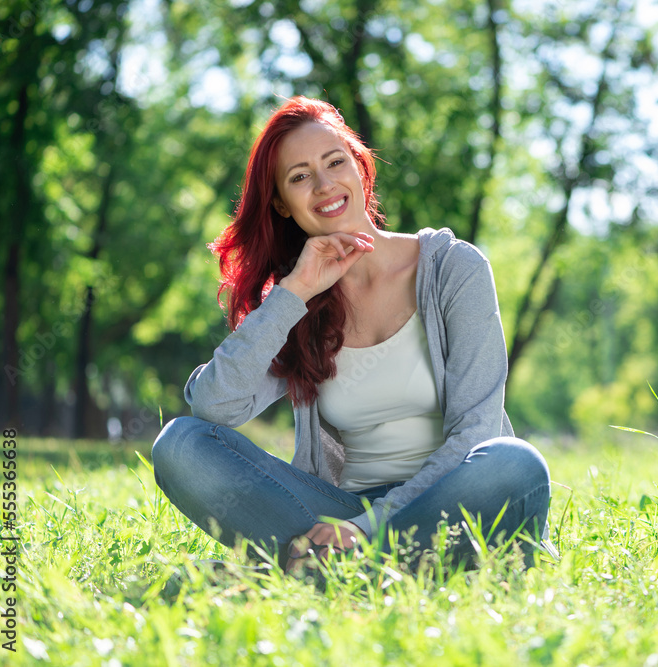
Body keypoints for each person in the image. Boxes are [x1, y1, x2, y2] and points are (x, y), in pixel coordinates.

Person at [151, 96, 551, 575]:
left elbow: (476, 433)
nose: (324, 185)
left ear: (360, 168)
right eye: (299, 177)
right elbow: (215, 407)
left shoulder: (452, 267)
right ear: (280, 202)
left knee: (514, 464)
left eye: (335, 162)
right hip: (335, 516)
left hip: (454, 507)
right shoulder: (297, 299)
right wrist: (294, 291)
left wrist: (367, 528)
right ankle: (371, 574)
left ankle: (315, 574)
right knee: (180, 444)